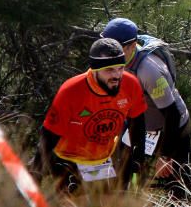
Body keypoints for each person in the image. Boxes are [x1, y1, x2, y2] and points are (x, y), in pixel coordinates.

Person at [30, 38, 147, 193]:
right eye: (109, 70)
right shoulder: (71, 91)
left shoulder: (130, 84)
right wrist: (35, 174)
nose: (117, 75)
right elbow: (49, 136)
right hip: (69, 159)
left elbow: (137, 123)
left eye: (120, 68)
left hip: (103, 159)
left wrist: (138, 161)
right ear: (95, 69)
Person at [101, 17, 191, 198]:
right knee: (121, 171)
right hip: (139, 124)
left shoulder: (148, 70)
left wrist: (166, 156)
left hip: (171, 126)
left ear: (131, 45)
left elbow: (172, 113)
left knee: (177, 183)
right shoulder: (114, 63)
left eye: (115, 48)